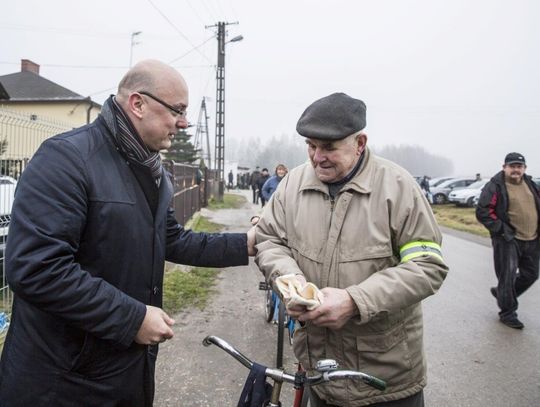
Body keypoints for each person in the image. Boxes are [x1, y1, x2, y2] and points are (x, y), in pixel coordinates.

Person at [0, 59, 256, 406]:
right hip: (62, 380)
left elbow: (173, 239)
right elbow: (36, 268)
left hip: (123, 370)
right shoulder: (66, 160)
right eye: (177, 111)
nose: (183, 123)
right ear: (138, 104)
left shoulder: (152, 171)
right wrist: (133, 317)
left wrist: (247, 244)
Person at [255, 93, 448, 407]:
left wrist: (355, 301)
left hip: (386, 383)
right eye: (311, 146)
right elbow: (269, 240)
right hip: (318, 373)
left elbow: (427, 266)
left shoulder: (398, 188)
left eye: (329, 147)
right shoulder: (292, 184)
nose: (317, 157)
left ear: (360, 142)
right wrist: (291, 283)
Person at [475, 152, 540, 329]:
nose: (515, 170)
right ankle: (507, 313)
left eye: (519, 166)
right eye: (512, 166)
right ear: (504, 167)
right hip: (508, 239)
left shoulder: (531, 184)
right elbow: (484, 212)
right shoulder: (495, 185)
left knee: (531, 274)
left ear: (524, 168)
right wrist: (503, 231)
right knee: (507, 277)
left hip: (532, 239)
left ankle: (503, 295)